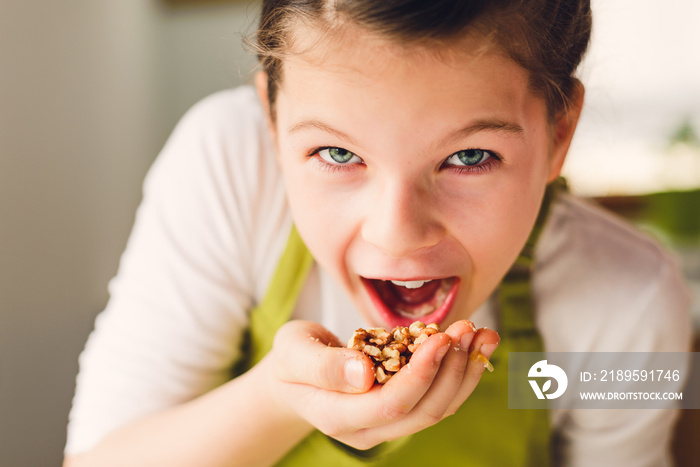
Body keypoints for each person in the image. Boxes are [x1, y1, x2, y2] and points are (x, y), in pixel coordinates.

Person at [63, 1, 692, 466]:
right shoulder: (227, 165)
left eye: (470, 157)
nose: (398, 236)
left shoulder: (632, 300)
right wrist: (278, 398)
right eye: (337, 154)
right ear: (272, 122)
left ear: (560, 133)